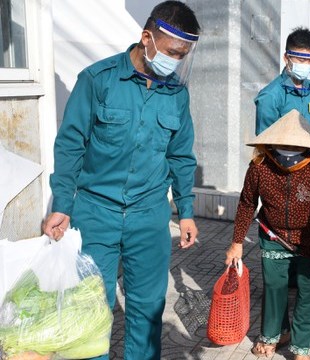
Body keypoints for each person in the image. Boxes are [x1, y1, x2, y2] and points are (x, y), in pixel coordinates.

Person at [42, 2, 200, 359]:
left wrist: (187, 211)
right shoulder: (98, 80)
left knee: (147, 307)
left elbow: (180, 154)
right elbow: (70, 146)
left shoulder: (176, 93)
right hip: (95, 212)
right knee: (91, 307)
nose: (176, 62)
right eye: (173, 53)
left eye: (183, 56)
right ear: (147, 38)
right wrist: (62, 207)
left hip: (148, 216)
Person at [225, 109, 310, 360]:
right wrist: (237, 242)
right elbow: (246, 204)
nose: (287, 150)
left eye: (294, 144)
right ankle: (276, 333)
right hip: (273, 235)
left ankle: (301, 347)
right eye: (282, 143)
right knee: (275, 287)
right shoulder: (259, 166)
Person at [254, 27, 310, 137]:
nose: (307, 65)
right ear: (286, 58)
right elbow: (263, 139)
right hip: (280, 153)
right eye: (302, 60)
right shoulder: (270, 95)